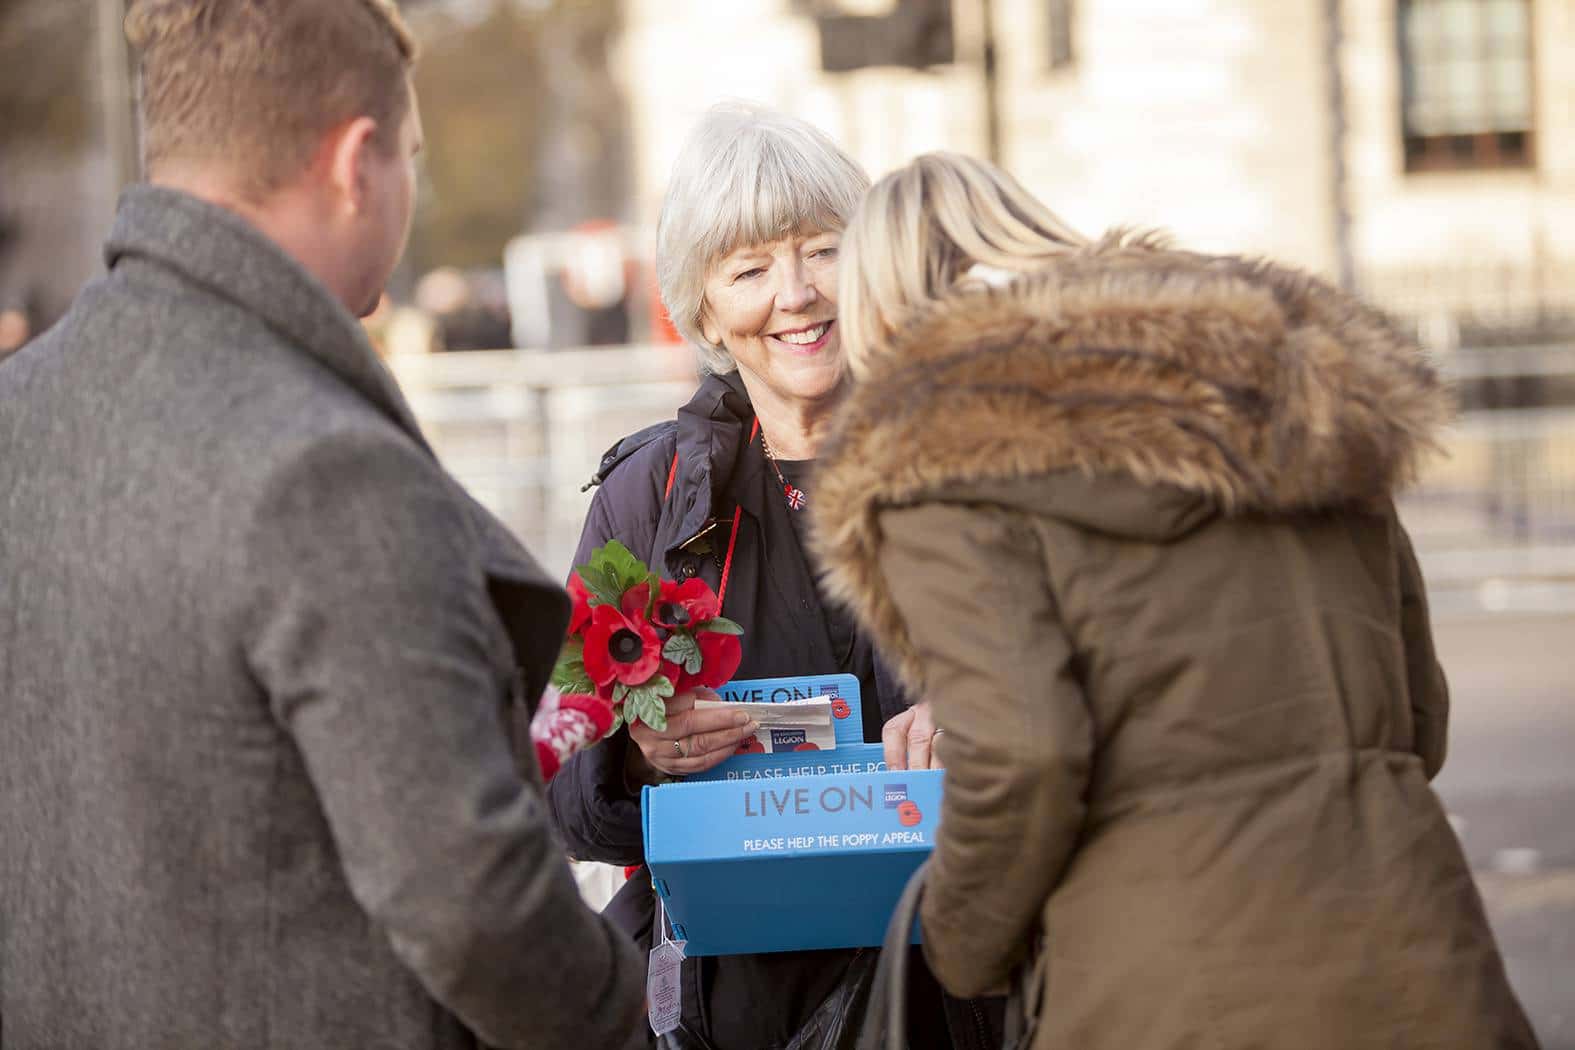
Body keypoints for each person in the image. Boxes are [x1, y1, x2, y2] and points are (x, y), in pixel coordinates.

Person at [0, 3, 645, 1048]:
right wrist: (628, 1024)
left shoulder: (17, 409)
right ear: (356, 162)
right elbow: (472, 903)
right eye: (412, 157)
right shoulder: (330, 473)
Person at [813, 151, 1541, 1050]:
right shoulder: (1288, 394)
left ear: (878, 317)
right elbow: (1419, 713)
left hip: (1163, 980)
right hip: (1416, 950)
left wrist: (960, 945)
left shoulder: (936, 470)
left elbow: (1025, 757)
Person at [546, 105, 1000, 1050]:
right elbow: (558, 783)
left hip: (963, 996)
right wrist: (636, 758)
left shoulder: (980, 466)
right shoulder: (649, 498)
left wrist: (997, 726)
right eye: (749, 270)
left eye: (822, 251)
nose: (794, 295)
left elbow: (1108, 706)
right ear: (703, 309)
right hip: (738, 1011)